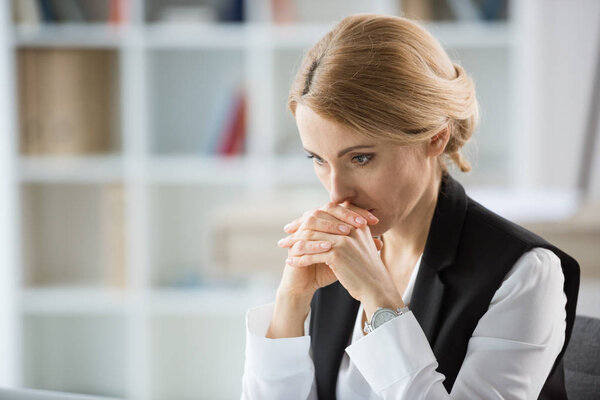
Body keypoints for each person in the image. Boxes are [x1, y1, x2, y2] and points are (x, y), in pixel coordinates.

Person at [240, 14, 579, 400]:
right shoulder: (336, 255)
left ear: (435, 138)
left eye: (361, 158)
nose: (336, 193)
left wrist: (381, 303)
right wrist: (291, 305)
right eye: (318, 159)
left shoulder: (523, 273)